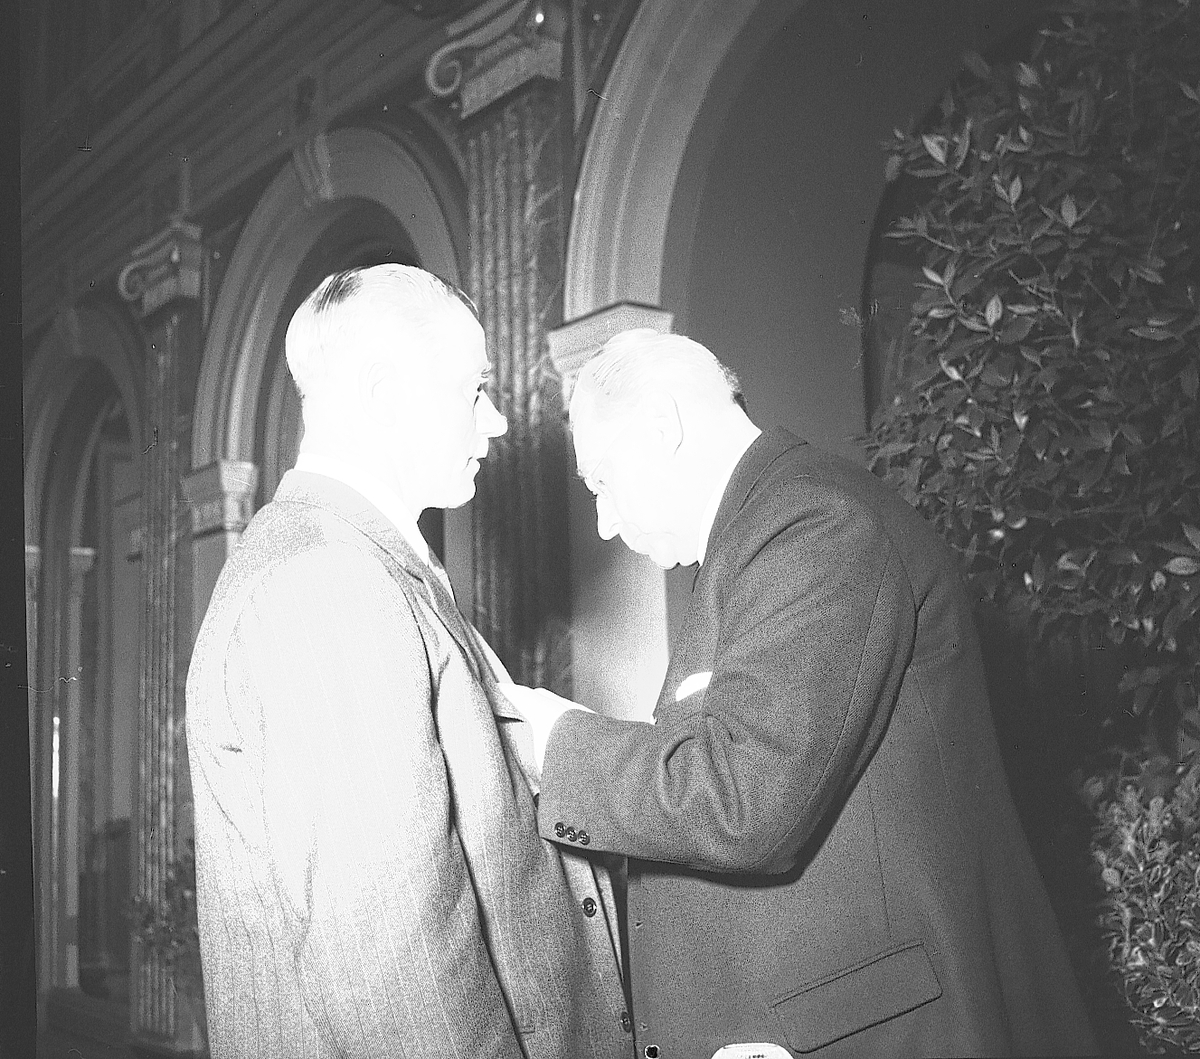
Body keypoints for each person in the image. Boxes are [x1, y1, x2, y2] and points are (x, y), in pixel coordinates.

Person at [503, 329, 1097, 1059]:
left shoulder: (811, 522)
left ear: (660, 428)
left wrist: (556, 741)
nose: (602, 520)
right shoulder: (768, 530)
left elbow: (746, 797)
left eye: (600, 481)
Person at [186, 265, 633, 1059]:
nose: (496, 421)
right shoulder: (328, 582)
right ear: (384, 391)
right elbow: (398, 974)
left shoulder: (355, 563)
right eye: (474, 391)